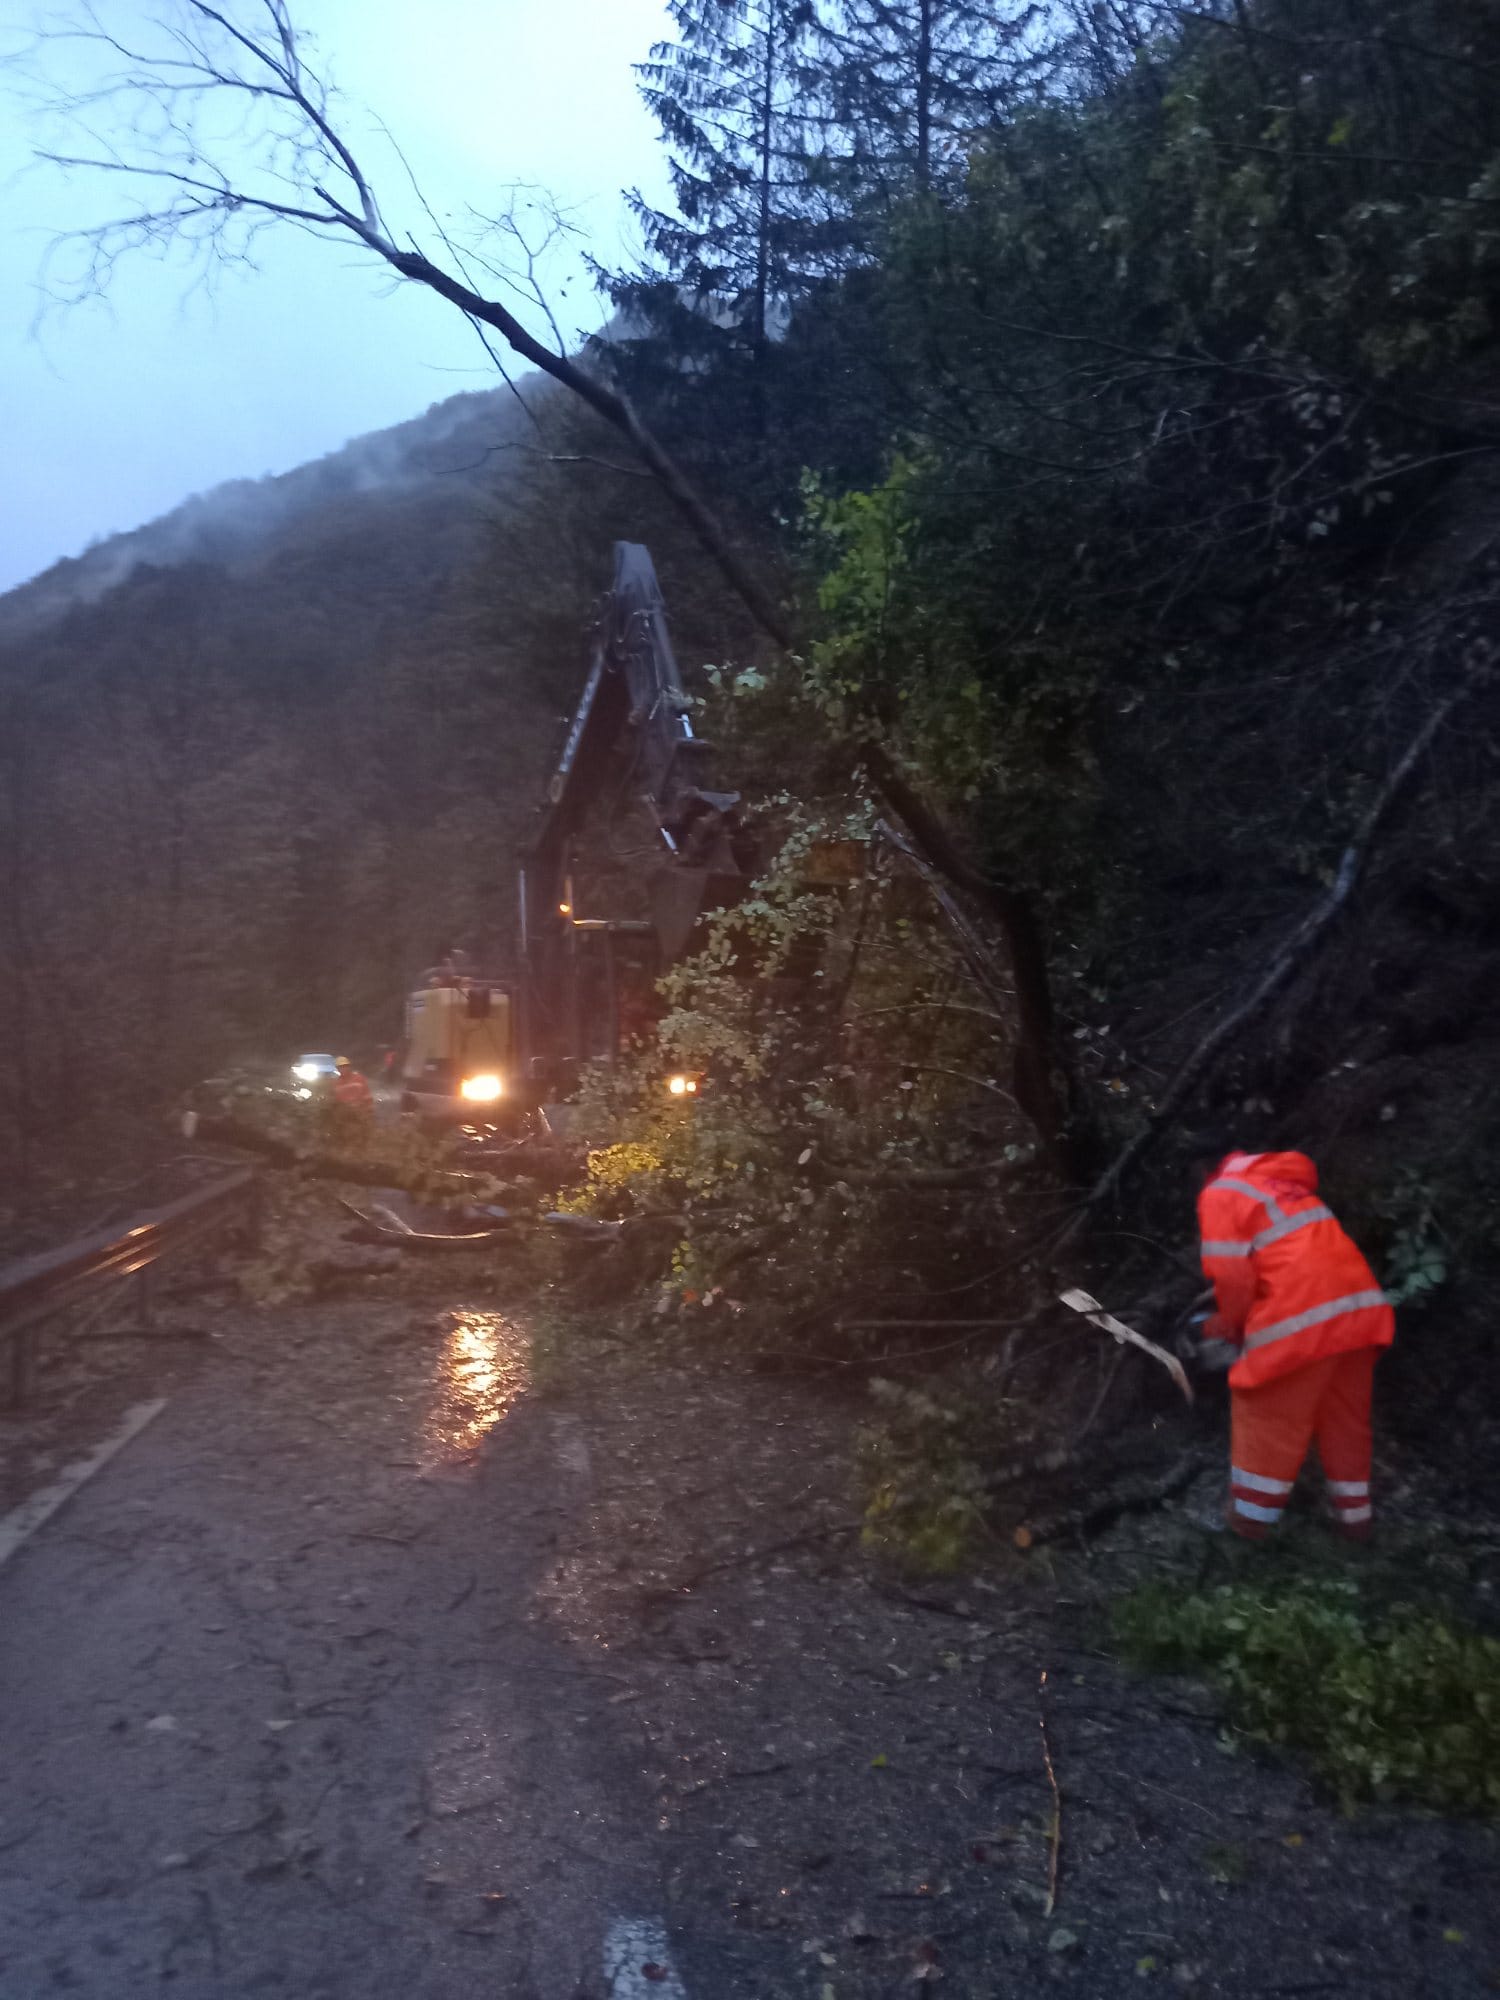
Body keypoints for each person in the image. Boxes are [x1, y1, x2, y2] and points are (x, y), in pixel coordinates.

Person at [1194, 1142, 1394, 1542]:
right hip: (1360, 1312)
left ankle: (1248, 1529)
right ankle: (1356, 1523)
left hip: (1303, 1317)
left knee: (1264, 1409)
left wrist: (1226, 1326)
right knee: (1344, 1421)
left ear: (1204, 1170)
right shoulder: (1281, 1185)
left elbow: (1232, 1280)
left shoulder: (1220, 1192)